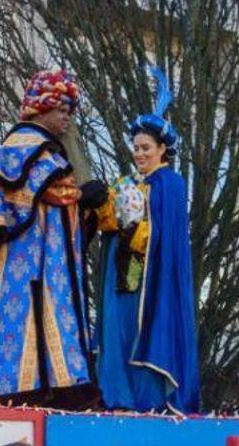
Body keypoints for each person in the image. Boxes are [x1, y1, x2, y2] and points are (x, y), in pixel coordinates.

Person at [0, 68, 110, 408]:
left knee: (51, 315)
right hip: (29, 262)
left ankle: (56, 385)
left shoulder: (46, 149)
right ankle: (34, 388)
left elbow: (58, 197)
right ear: (41, 108)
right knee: (30, 317)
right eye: (62, 111)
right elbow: (41, 189)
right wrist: (82, 196)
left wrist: (84, 205)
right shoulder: (23, 143)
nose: (66, 120)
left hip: (50, 260)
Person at [95, 68, 200, 413]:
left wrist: (135, 220)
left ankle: (148, 397)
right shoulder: (131, 182)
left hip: (148, 274)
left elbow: (159, 231)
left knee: (142, 329)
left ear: (162, 150)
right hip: (126, 272)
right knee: (119, 331)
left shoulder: (169, 183)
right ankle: (120, 397)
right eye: (136, 148)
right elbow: (116, 222)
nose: (139, 154)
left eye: (145, 148)